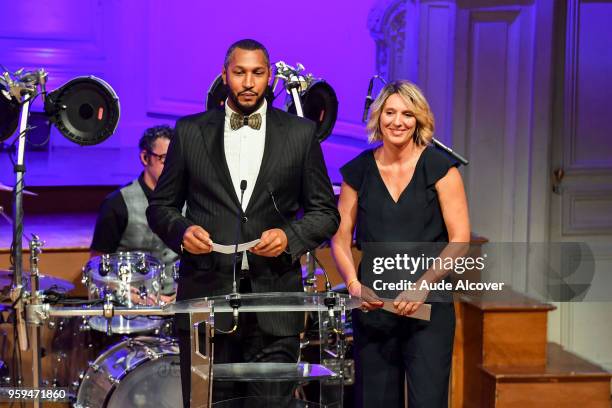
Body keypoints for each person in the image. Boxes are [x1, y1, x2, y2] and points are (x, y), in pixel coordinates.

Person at [146, 39, 339, 407]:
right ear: (224, 75)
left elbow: (326, 212)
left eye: (257, 73)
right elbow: (161, 206)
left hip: (275, 304)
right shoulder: (190, 132)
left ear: (269, 78)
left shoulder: (300, 134)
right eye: (239, 73)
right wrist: (183, 232)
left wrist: (290, 236)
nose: (248, 82)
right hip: (207, 299)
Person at [331, 80, 470, 407]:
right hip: (374, 308)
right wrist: (353, 285)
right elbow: (340, 239)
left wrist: (422, 286)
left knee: (428, 401)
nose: (398, 121)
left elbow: (460, 240)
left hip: (428, 308)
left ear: (419, 120)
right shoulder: (359, 171)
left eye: (407, 114)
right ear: (378, 117)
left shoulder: (440, 169)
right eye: (390, 112)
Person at [90, 125, 178, 303]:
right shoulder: (116, 203)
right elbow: (97, 264)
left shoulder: (189, 200)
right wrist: (129, 295)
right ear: (145, 158)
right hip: (132, 307)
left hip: (178, 304)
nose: (171, 167)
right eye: (164, 159)